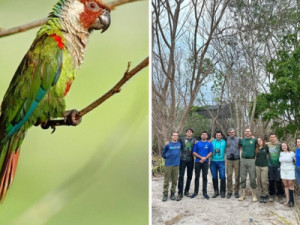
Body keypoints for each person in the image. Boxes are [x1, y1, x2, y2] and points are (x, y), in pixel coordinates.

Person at [191, 131, 213, 199]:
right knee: (197, 177)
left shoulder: (209, 144)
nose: (204, 135)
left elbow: (211, 152)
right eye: (202, 134)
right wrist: (201, 158)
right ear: (201, 136)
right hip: (197, 162)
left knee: (205, 177)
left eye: (205, 135)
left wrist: (204, 158)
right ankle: (195, 192)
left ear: (207, 136)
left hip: (205, 162)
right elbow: (194, 152)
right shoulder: (197, 143)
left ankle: (205, 192)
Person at [176, 128, 197, 201]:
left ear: (192, 133)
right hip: (182, 160)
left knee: (189, 176)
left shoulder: (194, 140)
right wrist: (168, 143)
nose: (189, 133)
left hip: (191, 160)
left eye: (190, 132)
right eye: (187, 131)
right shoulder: (181, 139)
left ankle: (186, 191)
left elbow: (200, 145)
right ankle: (180, 193)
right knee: (181, 176)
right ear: (186, 133)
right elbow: (174, 142)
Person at [239, 128, 258, 202]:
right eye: (246, 131)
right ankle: (243, 194)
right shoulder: (242, 140)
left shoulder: (254, 140)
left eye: (249, 131)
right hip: (243, 160)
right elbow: (239, 146)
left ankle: (254, 195)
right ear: (244, 132)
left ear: (251, 132)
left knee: (252, 177)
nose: (247, 132)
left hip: (252, 160)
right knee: (243, 177)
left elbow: (261, 143)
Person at [161, 132, 181, 202]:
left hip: (176, 165)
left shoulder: (179, 144)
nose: (175, 137)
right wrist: (167, 157)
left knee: (175, 180)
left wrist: (196, 142)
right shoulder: (168, 144)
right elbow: (163, 154)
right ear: (171, 136)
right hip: (168, 165)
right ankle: (165, 194)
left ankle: (172, 193)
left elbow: (189, 144)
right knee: (166, 180)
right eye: (174, 135)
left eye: (177, 136)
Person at [266, 133, 284, 203]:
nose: (272, 138)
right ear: (270, 138)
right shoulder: (268, 145)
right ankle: (272, 195)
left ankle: (280, 195)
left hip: (278, 165)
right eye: (271, 137)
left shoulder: (279, 145)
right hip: (270, 165)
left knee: (278, 180)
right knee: (271, 180)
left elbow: (285, 150)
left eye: (273, 137)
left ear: (276, 138)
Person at [211, 131, 227, 198]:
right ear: (215, 136)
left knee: (222, 176)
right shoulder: (212, 141)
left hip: (221, 161)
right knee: (214, 176)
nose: (218, 136)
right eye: (217, 135)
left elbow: (227, 150)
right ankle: (216, 191)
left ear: (221, 136)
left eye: (219, 135)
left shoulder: (224, 142)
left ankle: (222, 191)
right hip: (213, 161)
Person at [226, 128, 241, 199]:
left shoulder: (238, 139)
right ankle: (229, 191)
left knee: (237, 176)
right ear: (229, 133)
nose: (231, 133)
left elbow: (244, 142)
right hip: (229, 159)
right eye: (230, 132)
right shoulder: (226, 139)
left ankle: (236, 191)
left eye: (233, 132)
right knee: (229, 176)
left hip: (236, 159)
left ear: (235, 132)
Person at [279, 142, 295, 207]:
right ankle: (287, 200)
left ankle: (292, 201)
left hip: (290, 170)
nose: (284, 147)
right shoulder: (281, 153)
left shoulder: (292, 153)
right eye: (282, 146)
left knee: (290, 185)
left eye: (285, 145)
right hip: (283, 170)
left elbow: (296, 159)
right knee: (285, 185)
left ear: (287, 146)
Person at [255, 138, 269, 203]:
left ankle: (265, 194)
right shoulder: (256, 148)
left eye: (260, 140)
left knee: (264, 181)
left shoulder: (266, 147)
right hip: (257, 166)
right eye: (258, 141)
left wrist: (267, 143)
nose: (259, 141)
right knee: (259, 181)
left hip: (264, 166)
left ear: (263, 141)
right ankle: (260, 195)